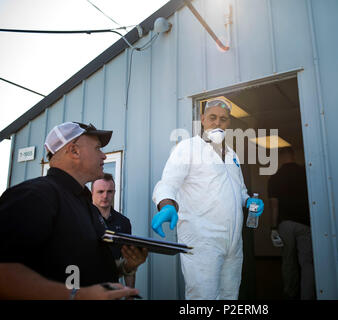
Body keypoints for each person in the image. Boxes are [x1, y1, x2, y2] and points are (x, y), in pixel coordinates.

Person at [0, 122, 141, 299]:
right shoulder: (33, 195)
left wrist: (126, 266)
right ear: (74, 151)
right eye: (98, 148)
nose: (104, 156)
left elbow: (85, 265)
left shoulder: (87, 205)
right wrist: (79, 295)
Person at [151, 98, 264, 300]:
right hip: (202, 240)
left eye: (223, 119)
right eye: (212, 117)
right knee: (203, 297)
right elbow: (167, 183)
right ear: (202, 119)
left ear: (229, 123)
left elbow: (239, 190)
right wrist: (166, 205)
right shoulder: (188, 148)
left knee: (230, 295)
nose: (218, 123)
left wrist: (248, 201)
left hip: (233, 243)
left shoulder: (232, 155)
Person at [267, 147, 316, 300]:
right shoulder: (305, 174)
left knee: (288, 261)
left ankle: (290, 293)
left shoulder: (274, 178)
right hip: (305, 223)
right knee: (306, 262)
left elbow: (274, 205)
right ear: (293, 156)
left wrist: (273, 228)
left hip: (285, 224)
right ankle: (307, 295)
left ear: (281, 158)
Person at [92, 173, 148, 291]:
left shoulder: (123, 222)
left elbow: (129, 260)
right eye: (100, 191)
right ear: (92, 192)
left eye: (110, 191)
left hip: (112, 287)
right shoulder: (82, 216)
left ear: (114, 193)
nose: (105, 196)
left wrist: (130, 294)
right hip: (86, 288)